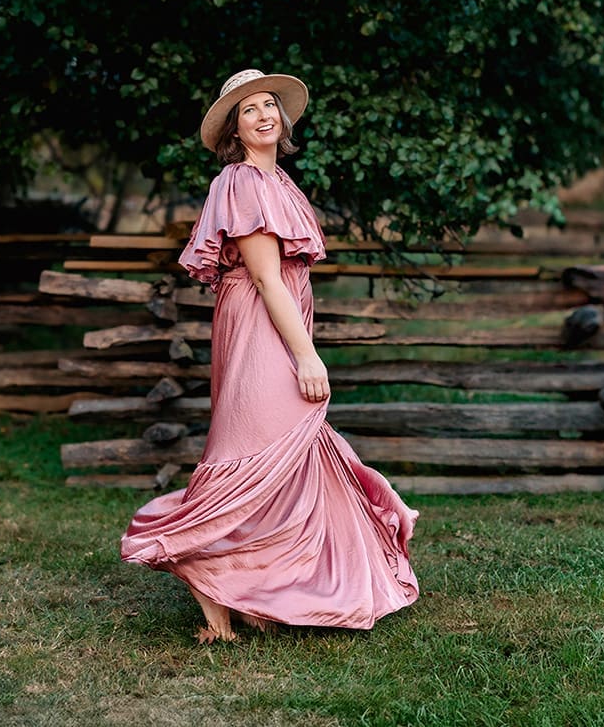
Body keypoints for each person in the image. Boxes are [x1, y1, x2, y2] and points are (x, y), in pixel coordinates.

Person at [120, 68, 419, 643]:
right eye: (248, 108)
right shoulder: (239, 181)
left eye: (269, 105)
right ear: (234, 128)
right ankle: (216, 597)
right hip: (261, 323)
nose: (263, 114)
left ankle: (256, 592)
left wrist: (303, 343)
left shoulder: (279, 181)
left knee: (284, 453)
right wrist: (307, 357)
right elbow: (264, 277)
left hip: (281, 319)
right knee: (251, 448)